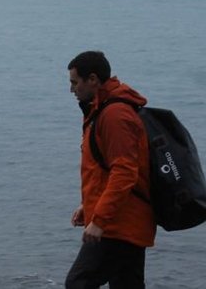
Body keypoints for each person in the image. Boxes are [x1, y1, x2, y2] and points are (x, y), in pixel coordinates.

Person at [65, 51, 156, 289]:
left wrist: (100, 220)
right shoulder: (102, 109)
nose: (72, 90)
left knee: (78, 283)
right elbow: (104, 168)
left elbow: (125, 172)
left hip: (119, 225)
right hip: (126, 219)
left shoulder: (115, 115)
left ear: (93, 80)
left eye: (75, 82)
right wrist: (90, 204)